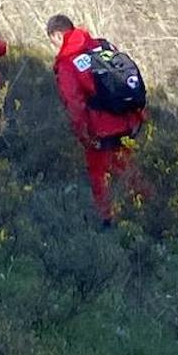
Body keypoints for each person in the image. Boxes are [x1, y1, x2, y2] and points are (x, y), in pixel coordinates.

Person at [47, 13, 149, 225]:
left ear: (57, 35)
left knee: (99, 174)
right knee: (127, 166)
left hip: (100, 128)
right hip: (126, 118)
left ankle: (107, 221)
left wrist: (83, 134)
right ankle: (149, 208)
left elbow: (74, 104)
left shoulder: (67, 62)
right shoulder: (101, 46)